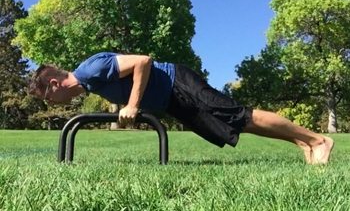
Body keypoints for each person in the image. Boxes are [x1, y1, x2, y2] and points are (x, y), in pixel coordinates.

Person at [29, 52, 334, 164]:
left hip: (178, 83)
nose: (52, 104)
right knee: (233, 127)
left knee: (238, 114)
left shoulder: (90, 70)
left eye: (47, 98)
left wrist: (133, 105)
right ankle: (302, 142)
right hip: (172, 100)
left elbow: (143, 61)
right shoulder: (91, 83)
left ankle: (319, 140)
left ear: (54, 84)